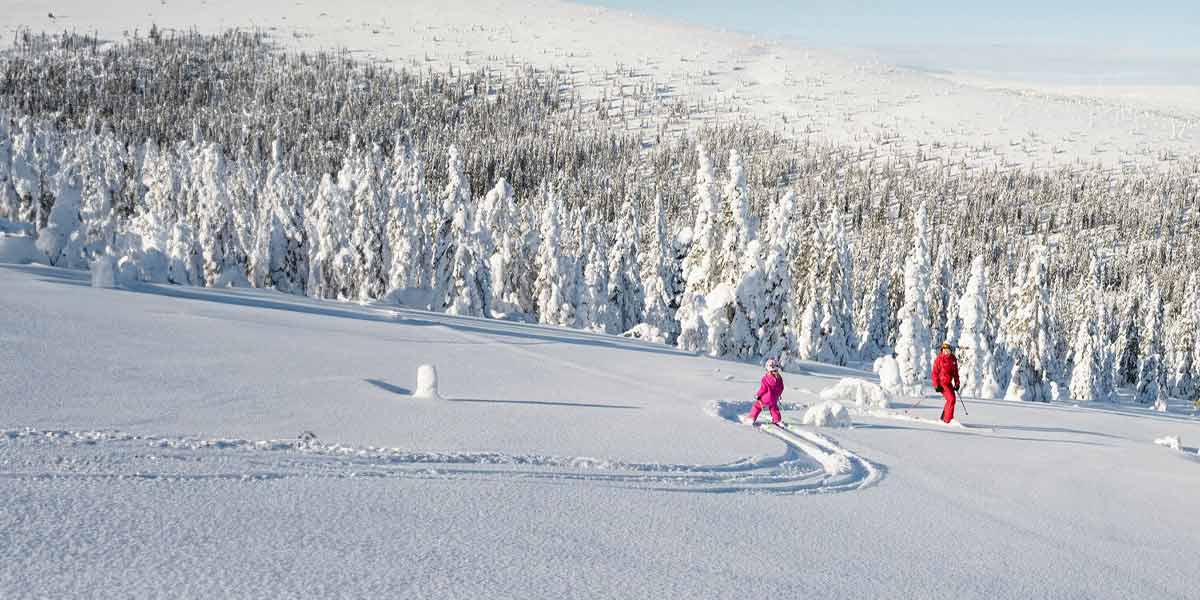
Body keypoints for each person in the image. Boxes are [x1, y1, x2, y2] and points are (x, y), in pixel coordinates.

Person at [748, 358, 784, 425]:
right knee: (774, 407)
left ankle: (751, 418)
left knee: (757, 406)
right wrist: (778, 395)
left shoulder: (766, 378)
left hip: (766, 397)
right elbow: (781, 388)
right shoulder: (779, 378)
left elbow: (763, 389)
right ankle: (777, 420)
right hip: (774, 397)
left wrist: (758, 395)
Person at [931, 342, 961, 423]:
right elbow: (934, 373)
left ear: (951, 351)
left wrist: (957, 383)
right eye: (944, 350)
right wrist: (936, 385)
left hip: (948, 383)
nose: (946, 352)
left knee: (952, 400)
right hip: (942, 383)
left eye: (947, 350)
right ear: (942, 350)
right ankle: (947, 420)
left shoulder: (953, 359)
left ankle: (945, 416)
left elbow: (955, 373)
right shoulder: (939, 359)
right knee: (951, 399)